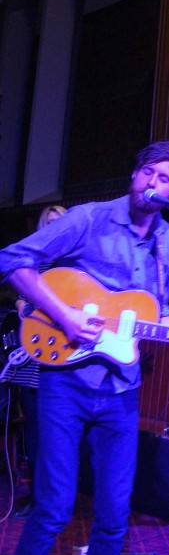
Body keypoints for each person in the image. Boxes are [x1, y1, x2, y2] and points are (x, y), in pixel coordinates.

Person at [0, 142, 169, 555]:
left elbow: (156, 312)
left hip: (122, 392)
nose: (152, 183)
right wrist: (63, 313)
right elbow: (13, 259)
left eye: (164, 179)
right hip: (66, 380)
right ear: (134, 173)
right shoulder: (90, 219)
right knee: (53, 508)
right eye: (146, 171)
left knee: (113, 514)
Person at [4, 206, 68, 519]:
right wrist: (21, 301)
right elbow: (18, 291)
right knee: (34, 432)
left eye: (62, 222)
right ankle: (35, 495)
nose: (57, 227)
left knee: (55, 435)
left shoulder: (72, 263)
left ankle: (51, 498)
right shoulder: (35, 260)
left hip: (62, 357)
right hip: (33, 357)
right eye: (51, 223)